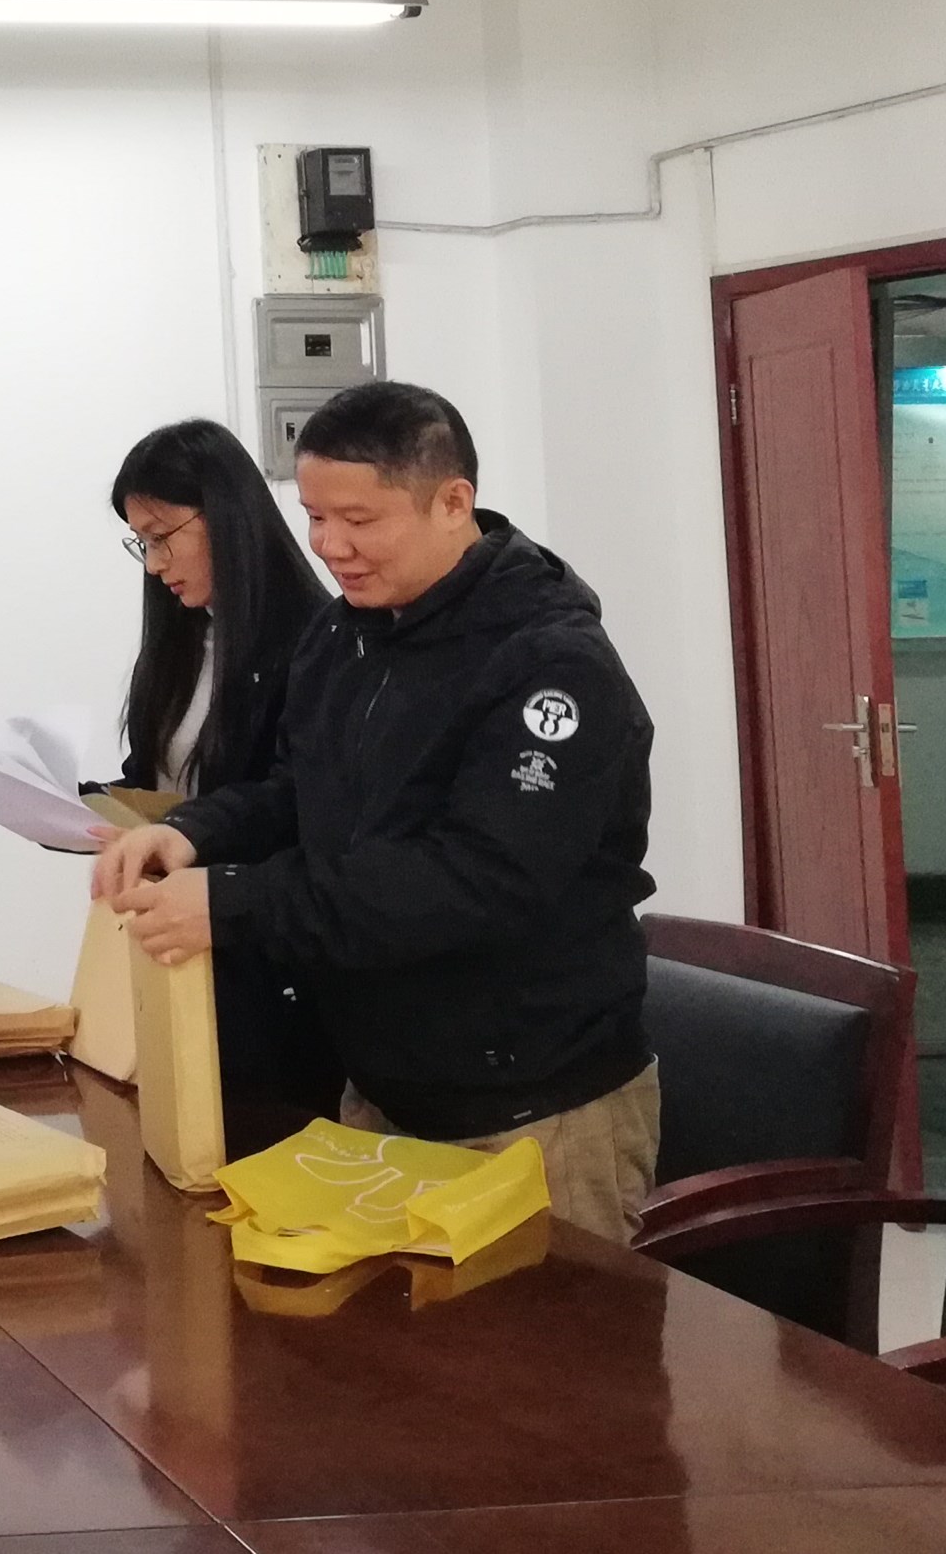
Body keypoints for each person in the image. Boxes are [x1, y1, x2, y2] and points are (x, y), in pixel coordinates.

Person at [95, 381, 659, 1240]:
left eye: (357, 519)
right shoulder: (345, 635)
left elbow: (469, 879)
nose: (329, 546)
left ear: (452, 502)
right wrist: (191, 831)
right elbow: (299, 788)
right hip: (380, 1089)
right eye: (315, 517)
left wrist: (232, 901)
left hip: (531, 1107)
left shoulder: (550, 666)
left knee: (536, 1330)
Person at [108, 418, 342, 1116]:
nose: (153, 564)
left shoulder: (315, 640)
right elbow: (162, 773)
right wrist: (107, 813)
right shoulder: (181, 639)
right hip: (181, 945)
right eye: (140, 543)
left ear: (225, 516)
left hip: (265, 967)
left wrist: (189, 831)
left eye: (161, 536)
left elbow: (292, 802)